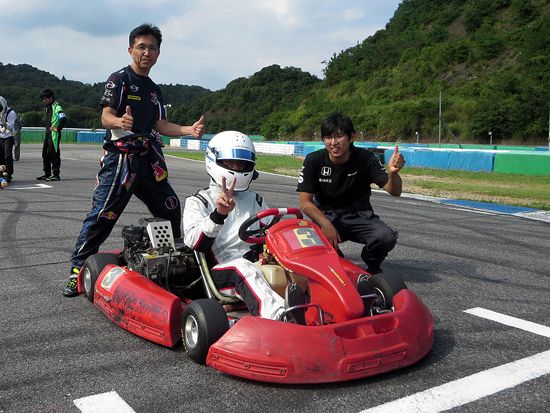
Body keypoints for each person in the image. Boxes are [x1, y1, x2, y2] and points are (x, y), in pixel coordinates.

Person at [62, 23, 206, 297]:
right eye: (141, 47)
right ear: (131, 50)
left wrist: (189, 130)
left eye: (152, 47)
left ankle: (170, 265)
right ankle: (77, 270)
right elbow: (105, 116)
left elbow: (161, 125)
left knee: (171, 208)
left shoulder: (154, 89)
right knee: (102, 216)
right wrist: (120, 120)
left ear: (158, 53)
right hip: (120, 161)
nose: (147, 52)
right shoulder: (119, 79)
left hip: (147, 160)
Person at [183, 131, 306, 323]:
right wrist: (218, 215)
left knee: (298, 258)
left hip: (256, 261)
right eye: (231, 163)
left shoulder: (254, 199)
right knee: (244, 268)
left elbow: (271, 231)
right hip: (222, 270)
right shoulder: (199, 201)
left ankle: (328, 303)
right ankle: (278, 317)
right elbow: (193, 242)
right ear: (214, 160)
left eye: (242, 164)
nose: (237, 168)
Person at [297, 113, 406, 275]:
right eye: (328, 137)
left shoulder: (366, 158)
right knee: (312, 247)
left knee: (385, 236)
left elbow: (394, 191)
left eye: (339, 136)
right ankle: (335, 257)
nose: (333, 143)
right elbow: (305, 202)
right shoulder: (314, 160)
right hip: (326, 217)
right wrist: (326, 224)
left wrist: (393, 173)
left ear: (351, 137)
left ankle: (373, 265)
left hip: (359, 217)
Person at [37, 89, 66, 181]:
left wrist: (58, 128)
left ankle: (56, 174)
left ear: (51, 98)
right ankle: (47, 173)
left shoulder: (56, 106)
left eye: (45, 98)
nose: (44, 101)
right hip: (48, 133)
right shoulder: (48, 108)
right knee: (45, 154)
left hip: (54, 134)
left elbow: (63, 118)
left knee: (54, 153)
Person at [0, 96, 16, 183]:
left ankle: (8, 173)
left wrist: (4, 123)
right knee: (0, 156)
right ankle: (1, 173)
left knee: (7, 155)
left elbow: (10, 126)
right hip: (0, 136)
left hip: (8, 137)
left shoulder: (11, 112)